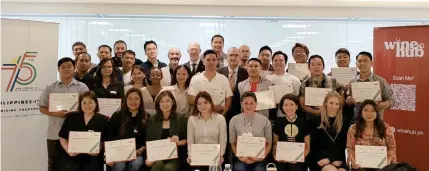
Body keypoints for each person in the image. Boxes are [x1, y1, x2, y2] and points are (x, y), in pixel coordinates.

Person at [38, 57, 89, 171]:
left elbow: (89, 107)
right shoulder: (50, 88)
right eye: (63, 67)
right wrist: (56, 114)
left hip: (75, 133)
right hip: (54, 133)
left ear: (74, 68)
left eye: (69, 66)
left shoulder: (82, 87)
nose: (66, 69)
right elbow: (42, 108)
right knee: (53, 163)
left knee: (74, 164)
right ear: (58, 69)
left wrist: (75, 112)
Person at [58, 91, 108, 171]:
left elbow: (104, 140)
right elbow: (62, 136)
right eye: (84, 103)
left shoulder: (103, 119)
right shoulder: (71, 117)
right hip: (73, 155)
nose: (87, 105)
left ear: (96, 103)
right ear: (80, 105)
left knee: (92, 167)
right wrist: (67, 149)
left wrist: (99, 148)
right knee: (69, 167)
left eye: (90, 102)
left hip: (93, 157)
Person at [347, 100, 397, 170]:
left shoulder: (385, 127)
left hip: (381, 167)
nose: (369, 113)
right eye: (366, 110)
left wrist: (387, 162)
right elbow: (350, 148)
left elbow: (392, 148)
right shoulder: (353, 128)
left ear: (377, 113)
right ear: (361, 112)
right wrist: (353, 161)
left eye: (373, 111)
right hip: (360, 167)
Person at [309, 91, 353, 171]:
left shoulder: (344, 122)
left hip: (338, 159)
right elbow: (313, 146)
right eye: (331, 103)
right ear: (325, 103)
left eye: (337, 104)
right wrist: (328, 160)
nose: (334, 106)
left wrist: (331, 159)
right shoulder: (315, 121)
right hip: (320, 159)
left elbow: (342, 145)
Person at [229, 91, 272, 171]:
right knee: (240, 169)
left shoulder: (265, 120)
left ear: (256, 104)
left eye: (251, 103)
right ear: (241, 104)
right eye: (245, 103)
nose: (248, 106)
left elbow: (269, 143)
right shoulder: (234, 120)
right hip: (241, 159)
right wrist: (240, 157)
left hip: (260, 159)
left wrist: (261, 157)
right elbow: (232, 143)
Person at [106, 88, 148, 171]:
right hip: (118, 153)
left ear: (141, 100)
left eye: (136, 98)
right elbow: (109, 136)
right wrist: (112, 155)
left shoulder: (146, 117)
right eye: (130, 98)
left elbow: (146, 140)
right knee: (119, 166)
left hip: (137, 154)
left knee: (136, 163)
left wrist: (139, 151)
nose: (133, 102)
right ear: (125, 100)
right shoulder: (117, 115)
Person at [145, 90, 187, 171]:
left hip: (175, 156)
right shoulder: (152, 119)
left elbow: (186, 139)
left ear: (173, 102)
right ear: (158, 103)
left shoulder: (180, 118)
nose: (165, 104)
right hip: (157, 155)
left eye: (168, 101)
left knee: (169, 168)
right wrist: (149, 158)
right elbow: (149, 141)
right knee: (157, 165)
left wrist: (179, 142)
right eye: (162, 101)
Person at [347, 51, 395, 119]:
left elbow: (392, 101)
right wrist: (348, 101)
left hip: (376, 121)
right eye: (360, 61)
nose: (362, 63)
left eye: (365, 61)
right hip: (358, 120)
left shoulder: (380, 81)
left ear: (371, 63)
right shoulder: (352, 81)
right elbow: (350, 103)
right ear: (356, 64)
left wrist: (379, 105)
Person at [187, 91, 227, 171]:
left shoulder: (220, 119)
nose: (203, 106)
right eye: (199, 103)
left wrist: (220, 155)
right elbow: (190, 141)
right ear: (196, 105)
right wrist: (190, 155)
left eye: (206, 102)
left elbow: (223, 140)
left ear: (211, 103)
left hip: (214, 156)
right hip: (198, 156)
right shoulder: (192, 119)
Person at [188, 49, 233, 116]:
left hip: (219, 116)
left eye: (214, 60)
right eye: (208, 60)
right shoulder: (196, 79)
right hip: (200, 117)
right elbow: (191, 99)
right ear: (203, 61)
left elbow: (228, 99)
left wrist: (223, 114)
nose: (211, 62)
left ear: (217, 62)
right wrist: (211, 107)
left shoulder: (223, 79)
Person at [273, 94, 310, 171]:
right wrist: (276, 156)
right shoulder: (278, 122)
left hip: (299, 159)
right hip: (282, 159)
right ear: (282, 107)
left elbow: (307, 146)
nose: (289, 107)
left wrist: (298, 158)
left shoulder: (304, 123)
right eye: (286, 105)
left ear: (296, 106)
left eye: (292, 104)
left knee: (295, 167)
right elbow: (275, 144)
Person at [265, 51, 301, 118]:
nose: (278, 62)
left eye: (281, 60)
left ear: (285, 63)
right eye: (275, 60)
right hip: (271, 116)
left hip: (289, 116)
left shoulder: (294, 79)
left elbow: (298, 97)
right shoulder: (267, 79)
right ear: (272, 63)